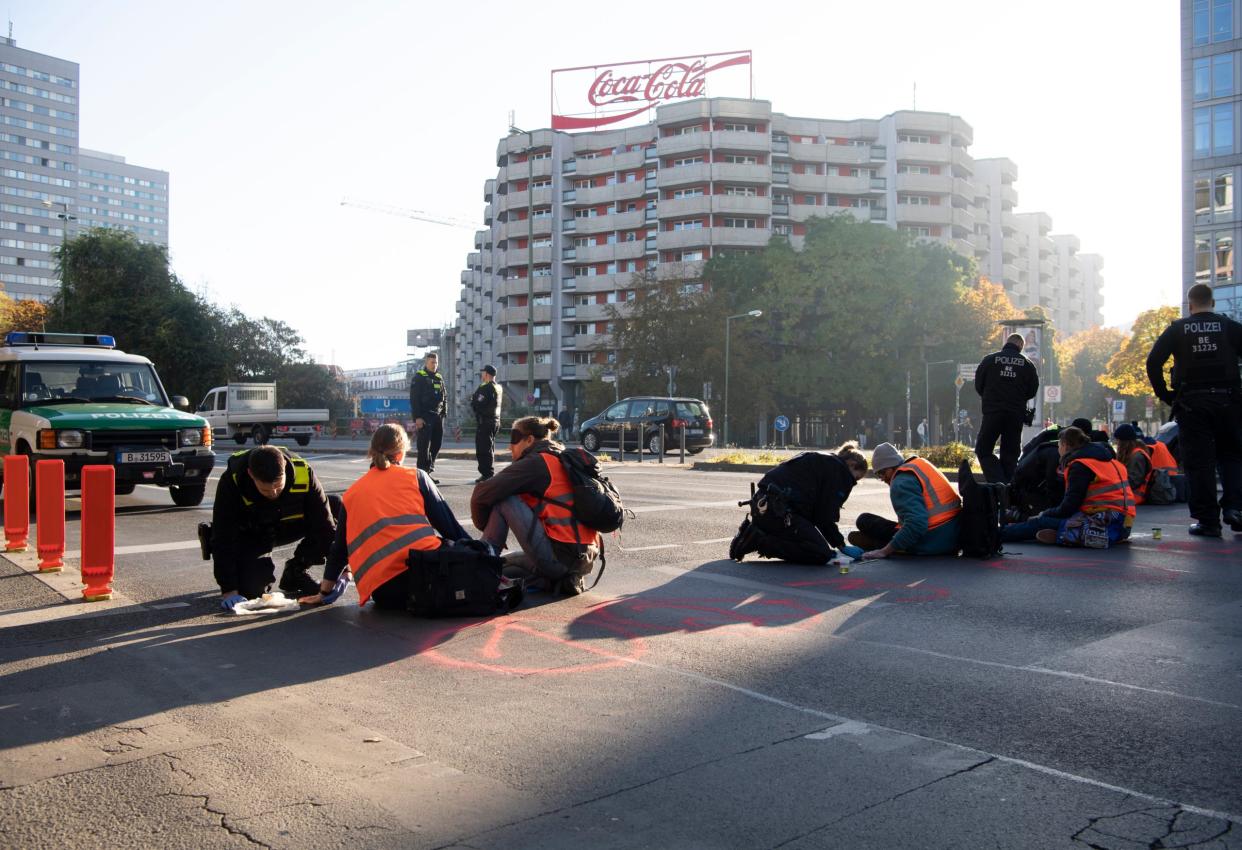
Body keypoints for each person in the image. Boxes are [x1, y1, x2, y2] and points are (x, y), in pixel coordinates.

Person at [300, 424, 473, 609]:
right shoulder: (416, 477)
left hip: (386, 594)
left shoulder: (351, 494)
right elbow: (450, 528)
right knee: (448, 547)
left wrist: (324, 593)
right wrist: (482, 553)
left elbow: (339, 550)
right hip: (427, 577)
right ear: (400, 454)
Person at [1146, 283, 1242, 536]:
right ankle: (1235, 508)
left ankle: (1208, 521)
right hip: (1228, 401)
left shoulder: (1178, 329)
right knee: (1232, 456)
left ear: (1190, 305)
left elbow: (1153, 361)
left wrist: (1165, 394)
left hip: (1192, 403)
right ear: (1213, 303)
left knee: (1199, 463)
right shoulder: (1229, 327)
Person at [471, 416, 600, 596]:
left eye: (514, 439)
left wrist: (484, 525)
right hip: (583, 559)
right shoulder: (562, 457)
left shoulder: (536, 463)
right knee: (506, 564)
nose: (510, 446)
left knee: (503, 499)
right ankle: (553, 579)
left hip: (560, 559)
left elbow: (481, 493)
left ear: (530, 440)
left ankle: (480, 571)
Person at [210, 445, 338, 611]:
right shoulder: (232, 481)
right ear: (251, 474)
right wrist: (228, 590)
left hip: (289, 524)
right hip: (254, 533)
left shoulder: (303, 472)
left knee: (336, 506)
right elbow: (223, 537)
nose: (273, 493)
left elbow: (325, 526)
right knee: (252, 591)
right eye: (265, 489)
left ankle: (295, 571)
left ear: (284, 467)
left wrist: (340, 573)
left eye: (278, 486)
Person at [729, 443, 869, 565]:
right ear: (851, 464)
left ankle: (758, 533)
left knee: (816, 545)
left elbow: (815, 511)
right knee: (820, 553)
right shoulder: (839, 473)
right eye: (855, 478)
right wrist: (841, 545)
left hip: (766, 506)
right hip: (779, 512)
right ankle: (760, 541)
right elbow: (824, 515)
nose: (852, 483)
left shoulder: (825, 461)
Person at [1001, 427, 1135, 548]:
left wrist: (1044, 514)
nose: (1058, 449)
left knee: (1040, 522)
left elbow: (1070, 506)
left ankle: (998, 534)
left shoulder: (1080, 465)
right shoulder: (1111, 462)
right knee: (1056, 520)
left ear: (1064, 445)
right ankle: (1064, 533)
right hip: (1124, 525)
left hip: (1106, 522)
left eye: (1059, 445)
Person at [849, 442, 962, 559]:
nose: (882, 478)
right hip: (954, 534)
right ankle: (882, 543)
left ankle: (883, 546)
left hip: (931, 541)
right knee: (877, 523)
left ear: (891, 467)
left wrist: (884, 552)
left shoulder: (900, 482)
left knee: (864, 520)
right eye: (878, 475)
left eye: (882, 473)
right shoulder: (919, 465)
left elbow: (917, 524)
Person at [974, 333, 1040, 484]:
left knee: (983, 449)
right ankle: (1008, 488)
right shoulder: (1027, 364)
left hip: (993, 412)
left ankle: (998, 482)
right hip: (1015, 414)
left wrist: (990, 398)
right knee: (1010, 454)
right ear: (1021, 346)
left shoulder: (990, 360)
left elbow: (978, 384)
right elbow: (1032, 390)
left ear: (1006, 343)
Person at [409, 351, 446, 483]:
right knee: (423, 446)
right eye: (432, 362)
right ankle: (422, 476)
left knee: (436, 444)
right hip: (424, 416)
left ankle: (429, 470)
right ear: (426, 362)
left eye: (436, 362)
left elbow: (444, 397)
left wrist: (443, 414)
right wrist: (417, 417)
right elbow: (414, 399)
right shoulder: (419, 377)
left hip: (437, 417)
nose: (434, 365)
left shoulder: (439, 378)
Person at [471, 364, 503, 483]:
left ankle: (487, 473)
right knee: (490, 447)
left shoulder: (485, 387)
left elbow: (477, 403)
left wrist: (474, 401)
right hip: (495, 421)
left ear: (487, 374)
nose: (481, 374)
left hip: (485, 421)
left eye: (483, 372)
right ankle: (488, 472)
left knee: (483, 448)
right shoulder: (498, 387)